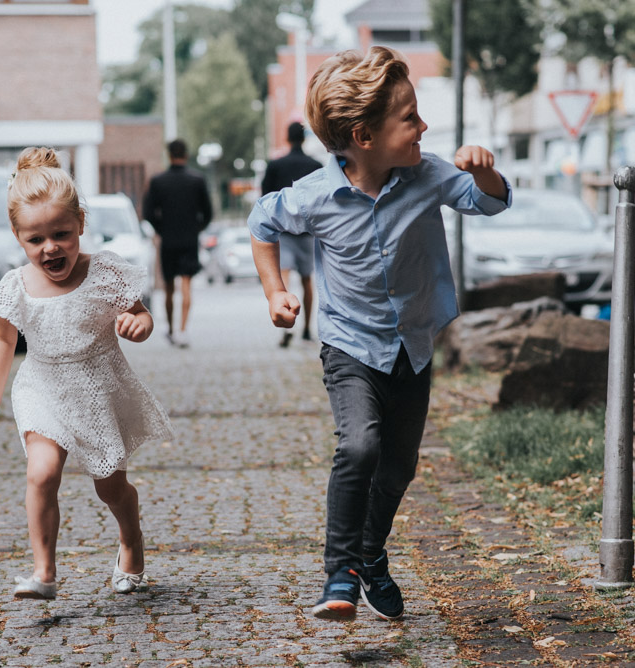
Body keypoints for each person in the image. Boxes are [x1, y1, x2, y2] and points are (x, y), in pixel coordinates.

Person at [247, 47, 510, 622]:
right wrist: (275, 291)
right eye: (410, 118)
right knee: (360, 445)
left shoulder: (430, 173)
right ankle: (339, 572)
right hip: (349, 346)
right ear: (364, 136)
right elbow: (261, 223)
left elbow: (488, 201)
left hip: (413, 345)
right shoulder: (315, 195)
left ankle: (371, 552)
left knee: (398, 468)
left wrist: (482, 167)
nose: (423, 127)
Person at [0, 147, 172, 600]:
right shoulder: (16, 286)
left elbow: (139, 316)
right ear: (18, 237)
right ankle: (44, 572)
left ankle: (130, 539)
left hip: (98, 388)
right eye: (36, 240)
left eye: (61, 234)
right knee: (41, 474)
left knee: (111, 488)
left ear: (81, 222)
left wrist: (137, 325)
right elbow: (3, 338)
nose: (50, 248)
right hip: (43, 386)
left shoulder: (104, 272)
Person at [142, 139, 213, 348]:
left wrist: (161, 229)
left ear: (169, 154)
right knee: (187, 285)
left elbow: (148, 213)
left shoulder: (158, 181)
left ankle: (171, 329)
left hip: (168, 240)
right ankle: (183, 330)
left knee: (169, 288)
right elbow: (208, 212)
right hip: (189, 239)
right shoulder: (197, 180)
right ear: (186, 154)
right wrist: (197, 228)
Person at [261, 122, 323, 347]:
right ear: (304, 139)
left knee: (283, 279)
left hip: (284, 231)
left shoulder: (276, 165)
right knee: (307, 279)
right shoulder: (315, 165)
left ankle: (286, 324)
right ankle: (307, 328)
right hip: (307, 233)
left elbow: (265, 198)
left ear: (287, 138)